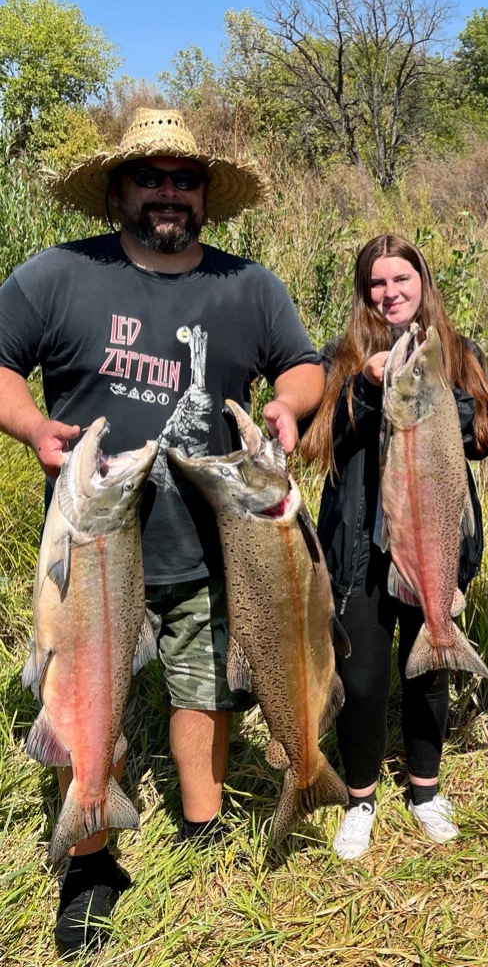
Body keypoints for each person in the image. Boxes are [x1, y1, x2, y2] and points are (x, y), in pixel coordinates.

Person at [0, 108, 324, 953]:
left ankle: (201, 819)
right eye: (151, 179)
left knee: (204, 685)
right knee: (85, 690)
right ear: (119, 190)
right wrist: (35, 427)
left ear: (204, 195)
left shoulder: (247, 284)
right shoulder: (57, 275)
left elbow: (302, 363)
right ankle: (92, 861)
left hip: (213, 539)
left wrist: (287, 407)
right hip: (91, 550)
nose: (168, 194)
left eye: (184, 180)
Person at [300, 233, 488, 860]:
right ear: (366, 293)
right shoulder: (338, 358)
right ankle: (360, 799)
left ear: (423, 283)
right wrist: (363, 386)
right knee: (360, 679)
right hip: (360, 549)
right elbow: (315, 444)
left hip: (435, 535)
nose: (391, 293)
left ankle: (425, 791)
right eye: (378, 284)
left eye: (402, 280)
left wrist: (441, 391)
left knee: (431, 665)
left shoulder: (459, 351)